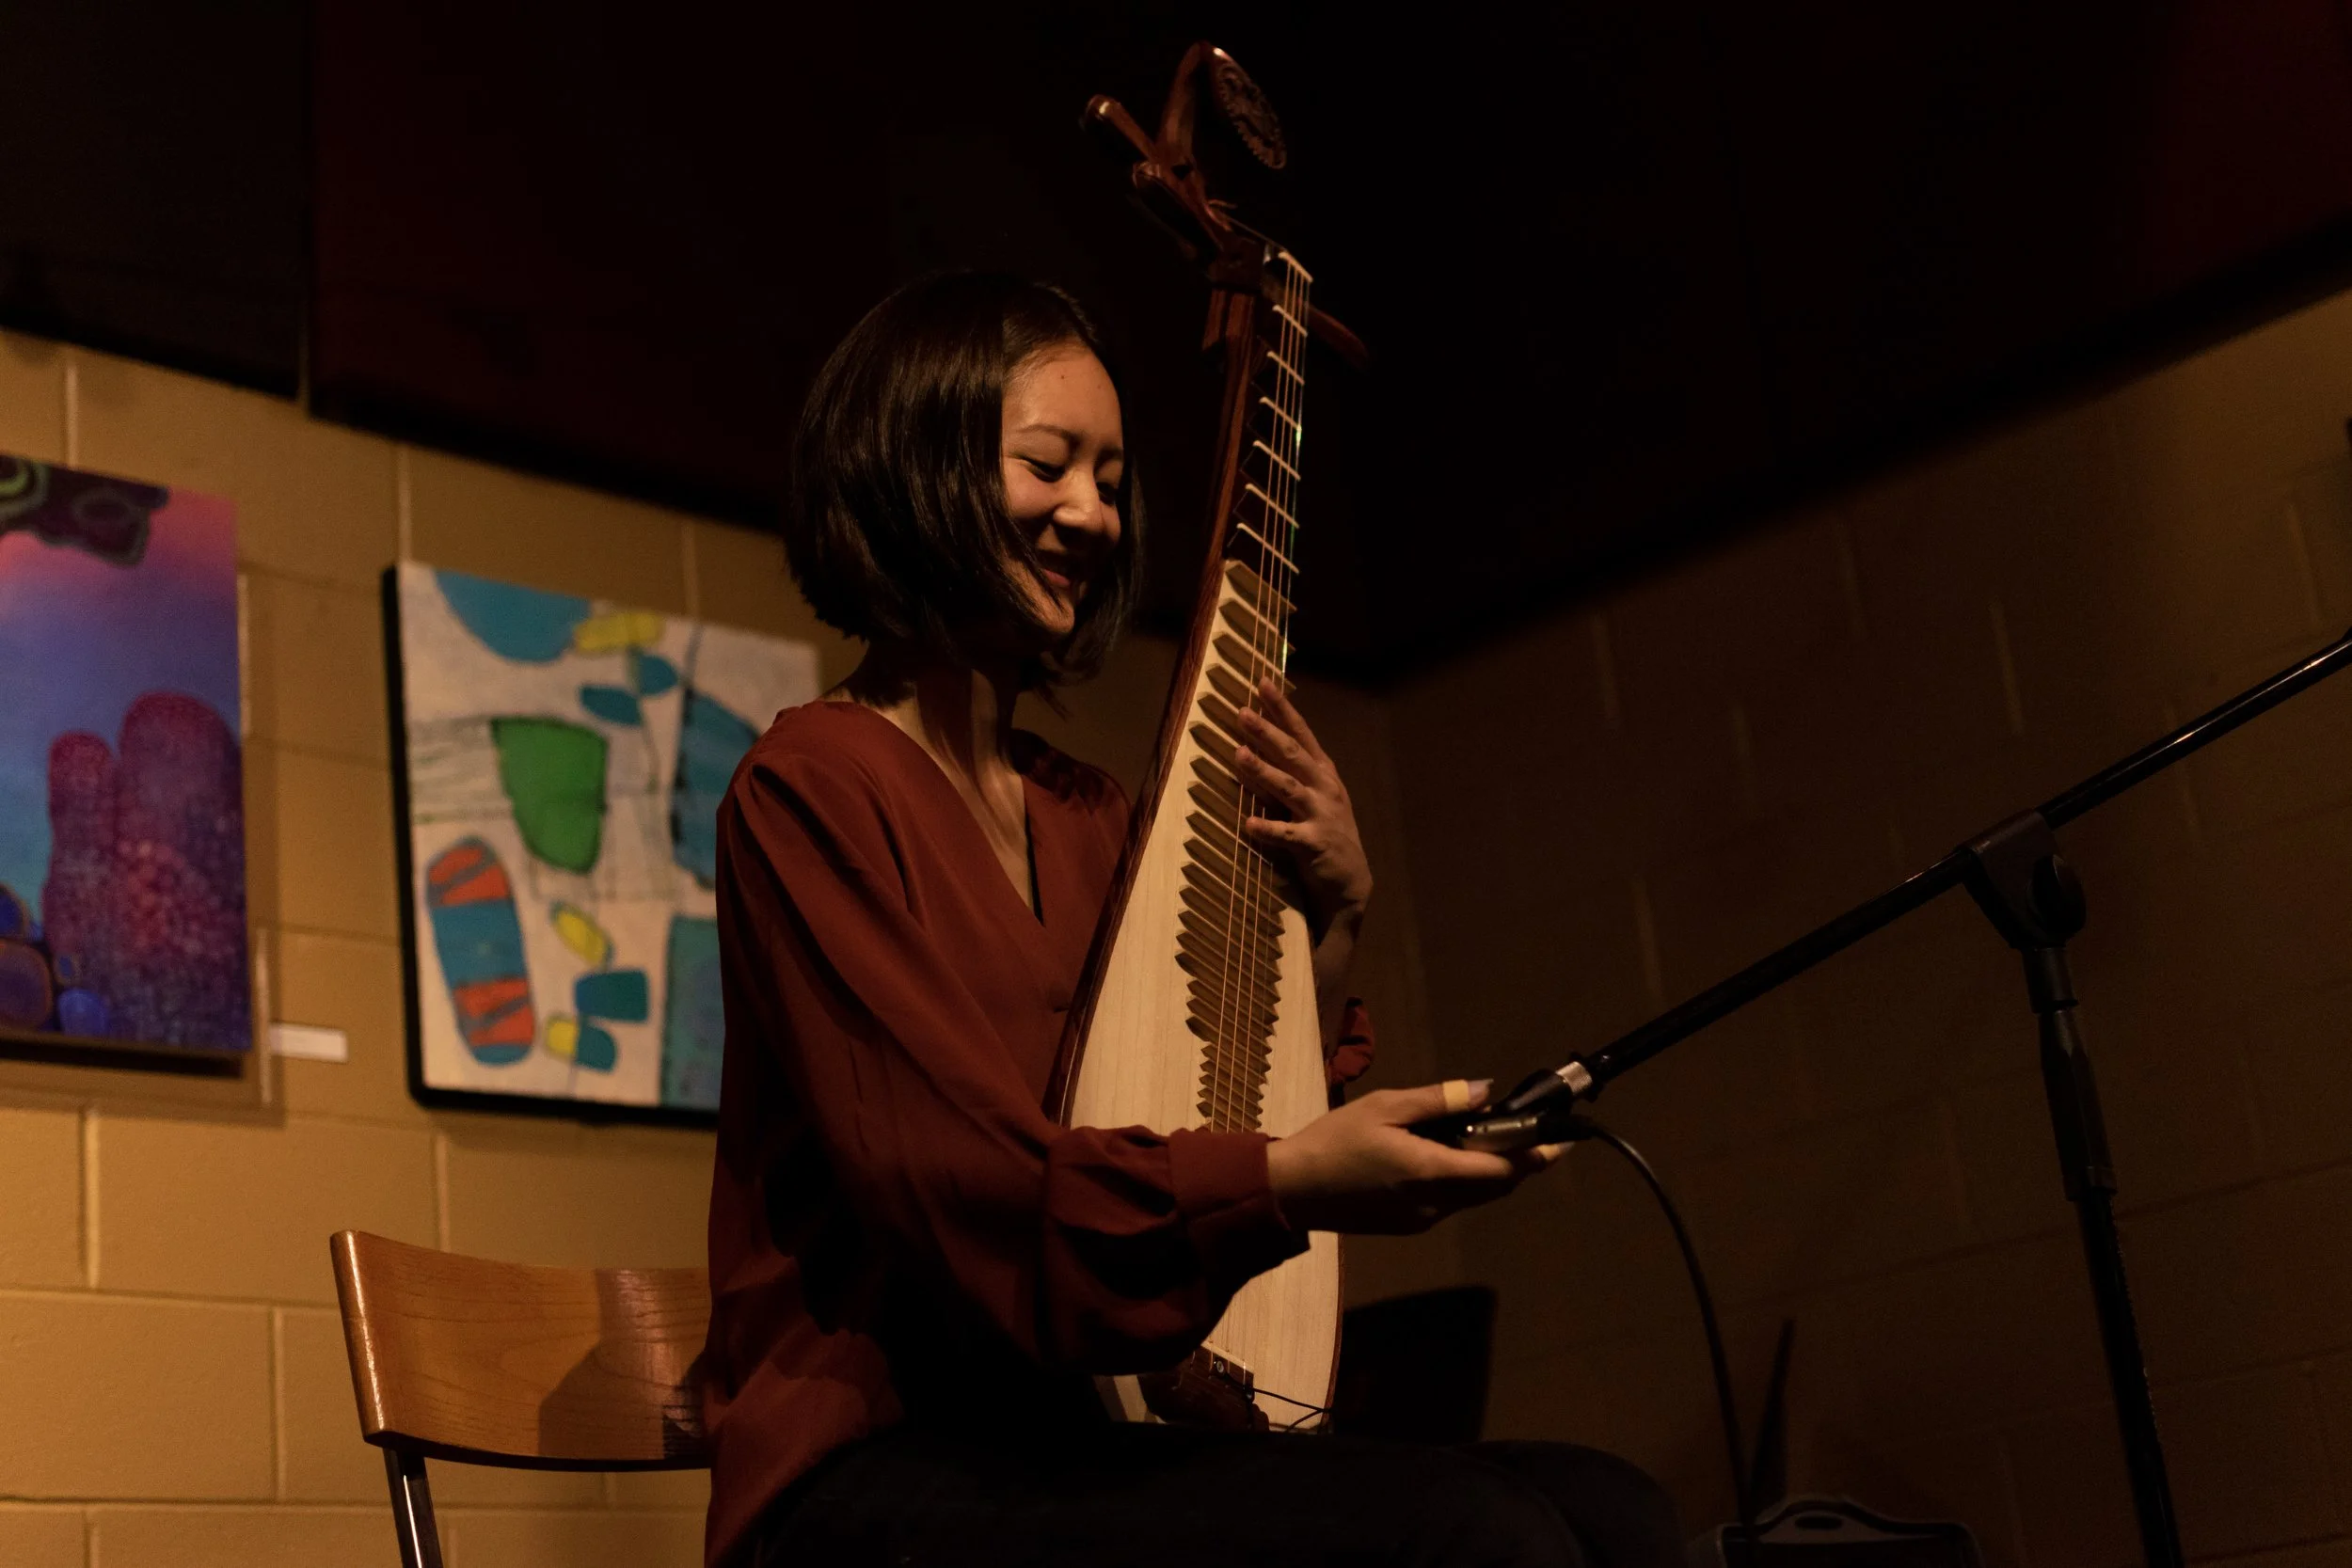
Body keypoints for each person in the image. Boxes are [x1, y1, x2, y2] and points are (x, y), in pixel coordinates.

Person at [702, 273, 1682, 1568]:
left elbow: (1212, 1101)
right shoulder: (812, 787)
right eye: (1049, 464)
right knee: (1473, 1536)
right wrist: (1290, 1181)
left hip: (1088, 1429)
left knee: (1614, 1510)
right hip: (875, 1468)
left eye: (1112, 478)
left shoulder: (1096, 813)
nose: (1093, 514)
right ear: (912, 461)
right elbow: (961, 1182)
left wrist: (1335, 914)